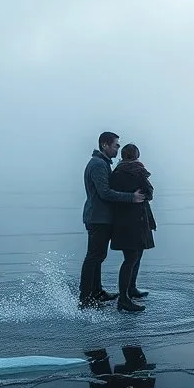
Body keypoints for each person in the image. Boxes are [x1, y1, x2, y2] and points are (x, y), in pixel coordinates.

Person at [79, 132, 145, 309]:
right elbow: (105, 193)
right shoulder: (98, 164)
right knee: (93, 257)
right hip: (98, 218)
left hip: (101, 217)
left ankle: (97, 291)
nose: (118, 148)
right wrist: (131, 197)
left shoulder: (102, 163)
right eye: (116, 145)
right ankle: (85, 298)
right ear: (104, 145)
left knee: (99, 256)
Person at [108, 143, 156, 313]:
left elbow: (111, 193)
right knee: (132, 258)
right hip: (137, 219)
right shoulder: (138, 171)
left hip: (122, 220)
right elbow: (149, 193)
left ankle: (130, 289)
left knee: (133, 255)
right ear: (136, 156)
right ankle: (124, 298)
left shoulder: (115, 173)